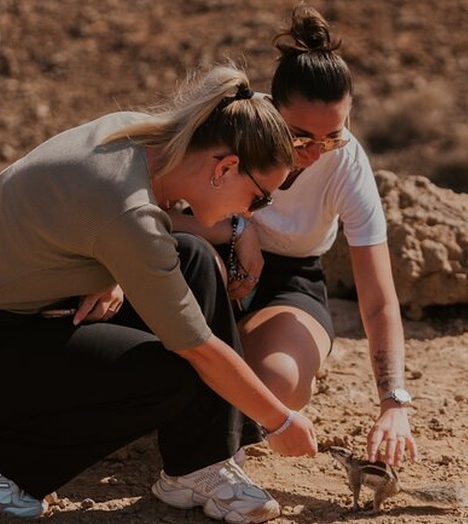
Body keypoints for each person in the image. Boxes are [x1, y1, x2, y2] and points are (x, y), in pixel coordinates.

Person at [0, 62, 317, 523]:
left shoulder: (138, 136)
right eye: (259, 198)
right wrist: (280, 420)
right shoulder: (127, 212)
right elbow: (199, 348)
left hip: (18, 315)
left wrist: (109, 272)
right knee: (172, 374)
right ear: (226, 167)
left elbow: (92, 220)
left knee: (193, 257)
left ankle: (197, 466)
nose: (251, 214)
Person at [169, 3, 419, 469]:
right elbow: (155, 212)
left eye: (333, 137)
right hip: (200, 258)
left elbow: (379, 300)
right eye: (301, 138)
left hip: (290, 281)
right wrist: (237, 227)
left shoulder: (347, 164)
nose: (316, 154)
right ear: (271, 109)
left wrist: (394, 403)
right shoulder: (231, 126)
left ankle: (208, 414)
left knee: (279, 384)